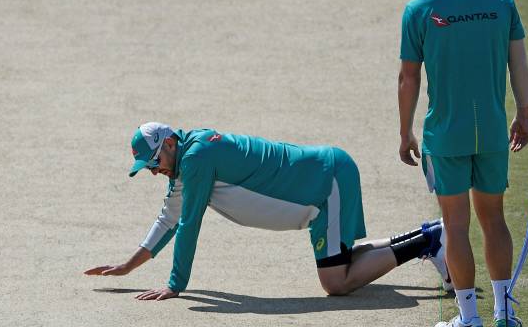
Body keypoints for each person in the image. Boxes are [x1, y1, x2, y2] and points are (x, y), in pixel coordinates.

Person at [85, 122, 449, 300]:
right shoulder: (187, 162)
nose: (155, 171)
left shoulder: (195, 160)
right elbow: (169, 218)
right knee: (342, 262)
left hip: (326, 182)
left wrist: (175, 285)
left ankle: (429, 242)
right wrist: (127, 266)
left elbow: (188, 224)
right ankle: (431, 235)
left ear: (168, 143)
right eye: (149, 169)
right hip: (324, 181)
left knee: (336, 282)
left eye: (155, 162)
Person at [398, 0, 528, 327]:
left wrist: (405, 132)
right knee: (493, 219)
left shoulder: (419, 10)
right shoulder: (501, 0)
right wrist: (523, 113)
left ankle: (470, 319)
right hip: (492, 132)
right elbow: (519, 64)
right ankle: (505, 313)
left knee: (455, 225)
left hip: (446, 136)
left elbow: (408, 78)